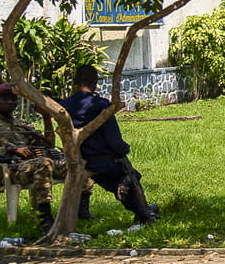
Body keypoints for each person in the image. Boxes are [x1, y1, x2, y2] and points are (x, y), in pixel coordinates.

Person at [59, 65, 158, 227]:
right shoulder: (100, 106)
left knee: (121, 180)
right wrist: (124, 149)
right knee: (132, 177)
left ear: (76, 82)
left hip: (84, 159)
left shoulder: (65, 106)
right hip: (106, 161)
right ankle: (143, 210)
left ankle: (141, 208)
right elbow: (114, 141)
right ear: (95, 82)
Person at [0, 84, 62, 231]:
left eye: (13, 99)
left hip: (34, 166)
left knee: (79, 163)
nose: (10, 102)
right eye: (5, 99)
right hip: (11, 170)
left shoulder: (21, 125)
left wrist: (46, 117)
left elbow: (48, 145)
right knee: (44, 163)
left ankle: (80, 211)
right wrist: (11, 149)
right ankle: (44, 218)